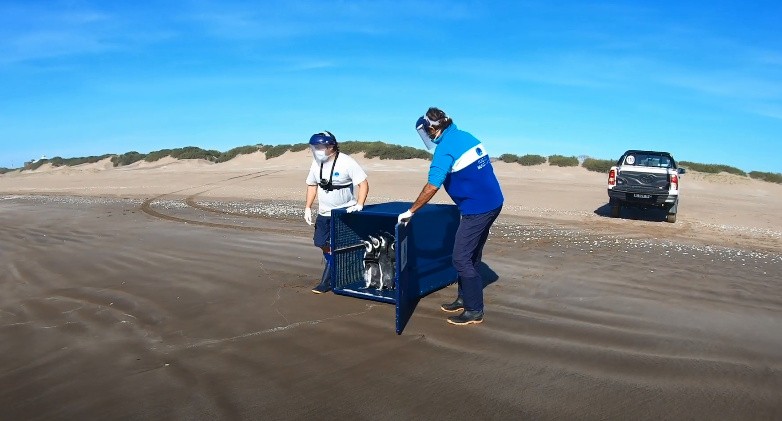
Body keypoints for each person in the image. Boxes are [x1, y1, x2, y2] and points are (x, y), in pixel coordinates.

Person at [398, 107, 503, 325]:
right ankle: (464, 298)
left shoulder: (445, 149)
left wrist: (411, 211)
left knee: (461, 258)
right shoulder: (464, 136)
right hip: (493, 202)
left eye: (425, 132)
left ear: (432, 129)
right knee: (471, 255)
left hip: (478, 209)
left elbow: (432, 186)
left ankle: (475, 310)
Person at [305, 131, 369, 294]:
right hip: (324, 213)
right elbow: (312, 185)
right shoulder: (316, 163)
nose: (316, 150)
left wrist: (360, 204)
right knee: (322, 243)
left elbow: (363, 184)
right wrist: (308, 207)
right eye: (314, 147)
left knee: (340, 245)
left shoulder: (347, 162)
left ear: (330, 146)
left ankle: (327, 281)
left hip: (343, 212)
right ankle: (335, 266)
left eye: (319, 147)